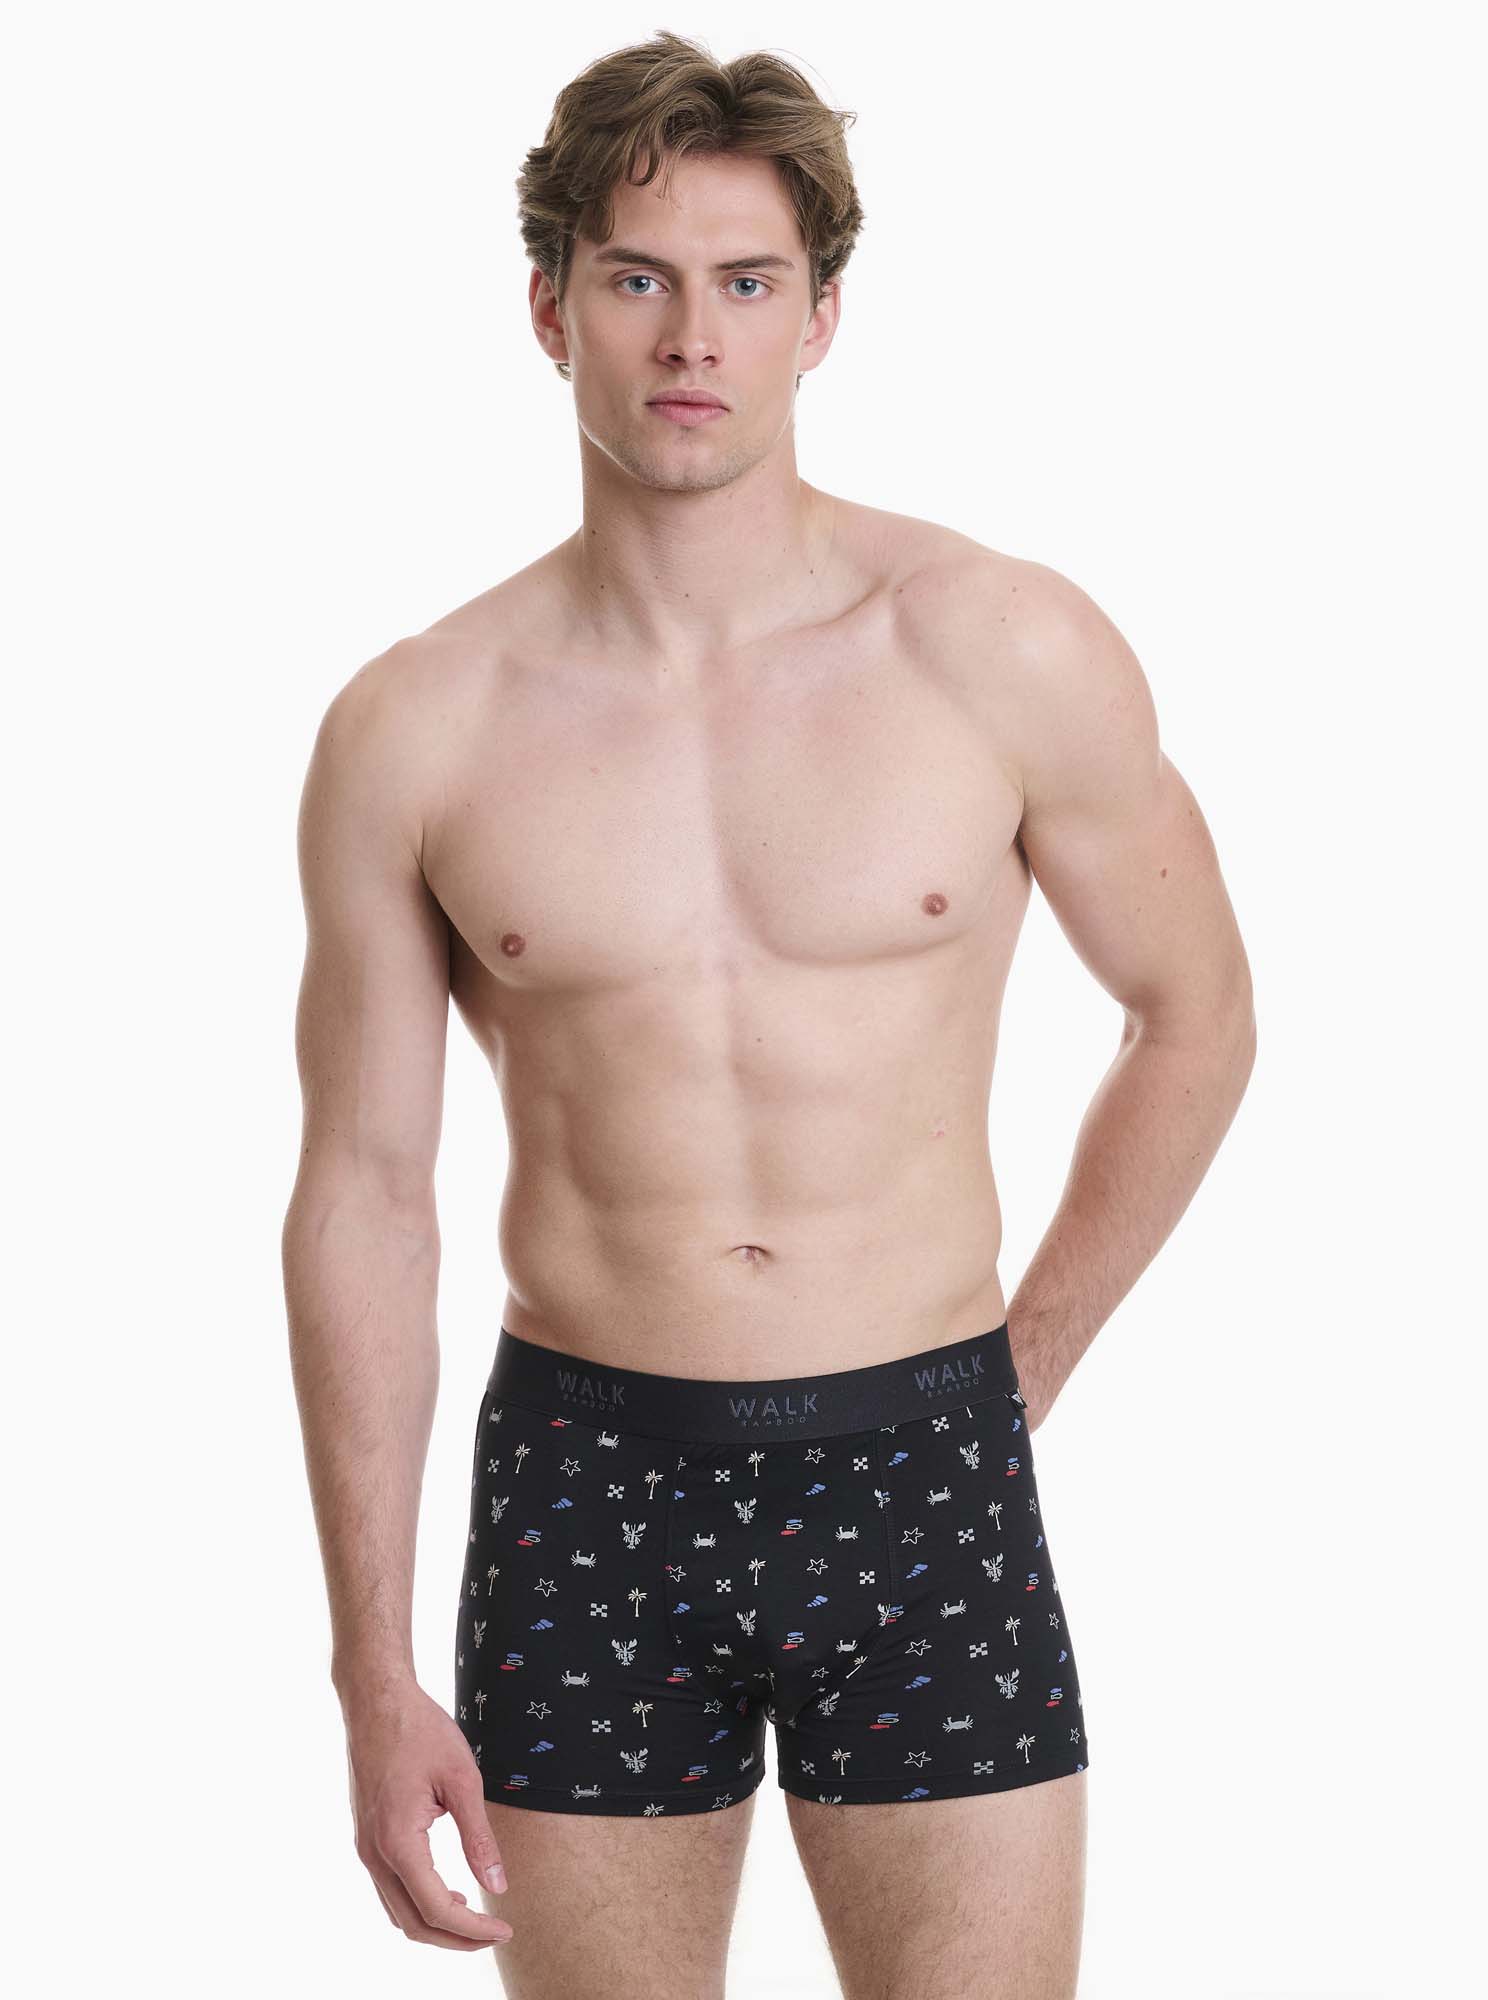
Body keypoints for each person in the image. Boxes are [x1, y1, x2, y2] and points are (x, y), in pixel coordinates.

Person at [282, 28, 1256, 1999]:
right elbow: (366, 1191)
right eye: (636, 279)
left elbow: (1195, 1016)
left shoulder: (998, 644)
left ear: (822, 318)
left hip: (926, 1461)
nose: (690, 337)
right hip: (587, 1492)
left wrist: (1012, 1377)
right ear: (549, 308)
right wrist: (371, 1670)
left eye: (746, 281)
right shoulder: (418, 725)